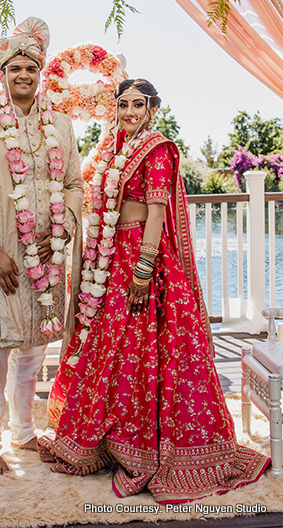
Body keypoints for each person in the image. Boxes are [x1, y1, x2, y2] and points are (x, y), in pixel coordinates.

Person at [38, 78, 270, 502]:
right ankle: (109, 440)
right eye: (123, 104)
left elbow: (156, 209)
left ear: (152, 109)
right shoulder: (117, 147)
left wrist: (143, 269)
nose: (128, 112)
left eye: (137, 105)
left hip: (143, 258)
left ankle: (149, 446)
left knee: (147, 347)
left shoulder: (158, 148)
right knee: (113, 345)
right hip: (113, 256)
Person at [0, 16, 84, 475]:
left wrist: (62, 225)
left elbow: (73, 184)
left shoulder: (62, 127)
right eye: (15, 69)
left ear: (40, 73)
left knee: (32, 350)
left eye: (30, 68)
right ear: (2, 76)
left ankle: (24, 432)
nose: (23, 76)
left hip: (46, 259)